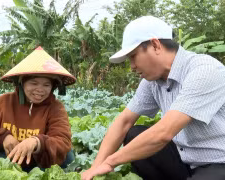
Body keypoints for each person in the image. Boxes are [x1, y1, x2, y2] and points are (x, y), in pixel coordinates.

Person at [81, 16, 225, 180]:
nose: (132, 66)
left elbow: (164, 132)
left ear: (155, 45)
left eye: (133, 56)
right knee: (133, 133)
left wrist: (110, 162)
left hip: (219, 162)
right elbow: (124, 121)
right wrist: (95, 168)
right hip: (185, 161)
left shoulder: (204, 70)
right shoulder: (152, 81)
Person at [0, 46, 76, 172]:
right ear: (21, 83)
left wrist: (36, 142)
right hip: (11, 159)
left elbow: (63, 141)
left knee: (68, 157)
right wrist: (3, 137)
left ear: (52, 87)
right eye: (34, 83)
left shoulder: (56, 107)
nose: (40, 89)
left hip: (41, 163)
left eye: (46, 85)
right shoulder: (4, 102)